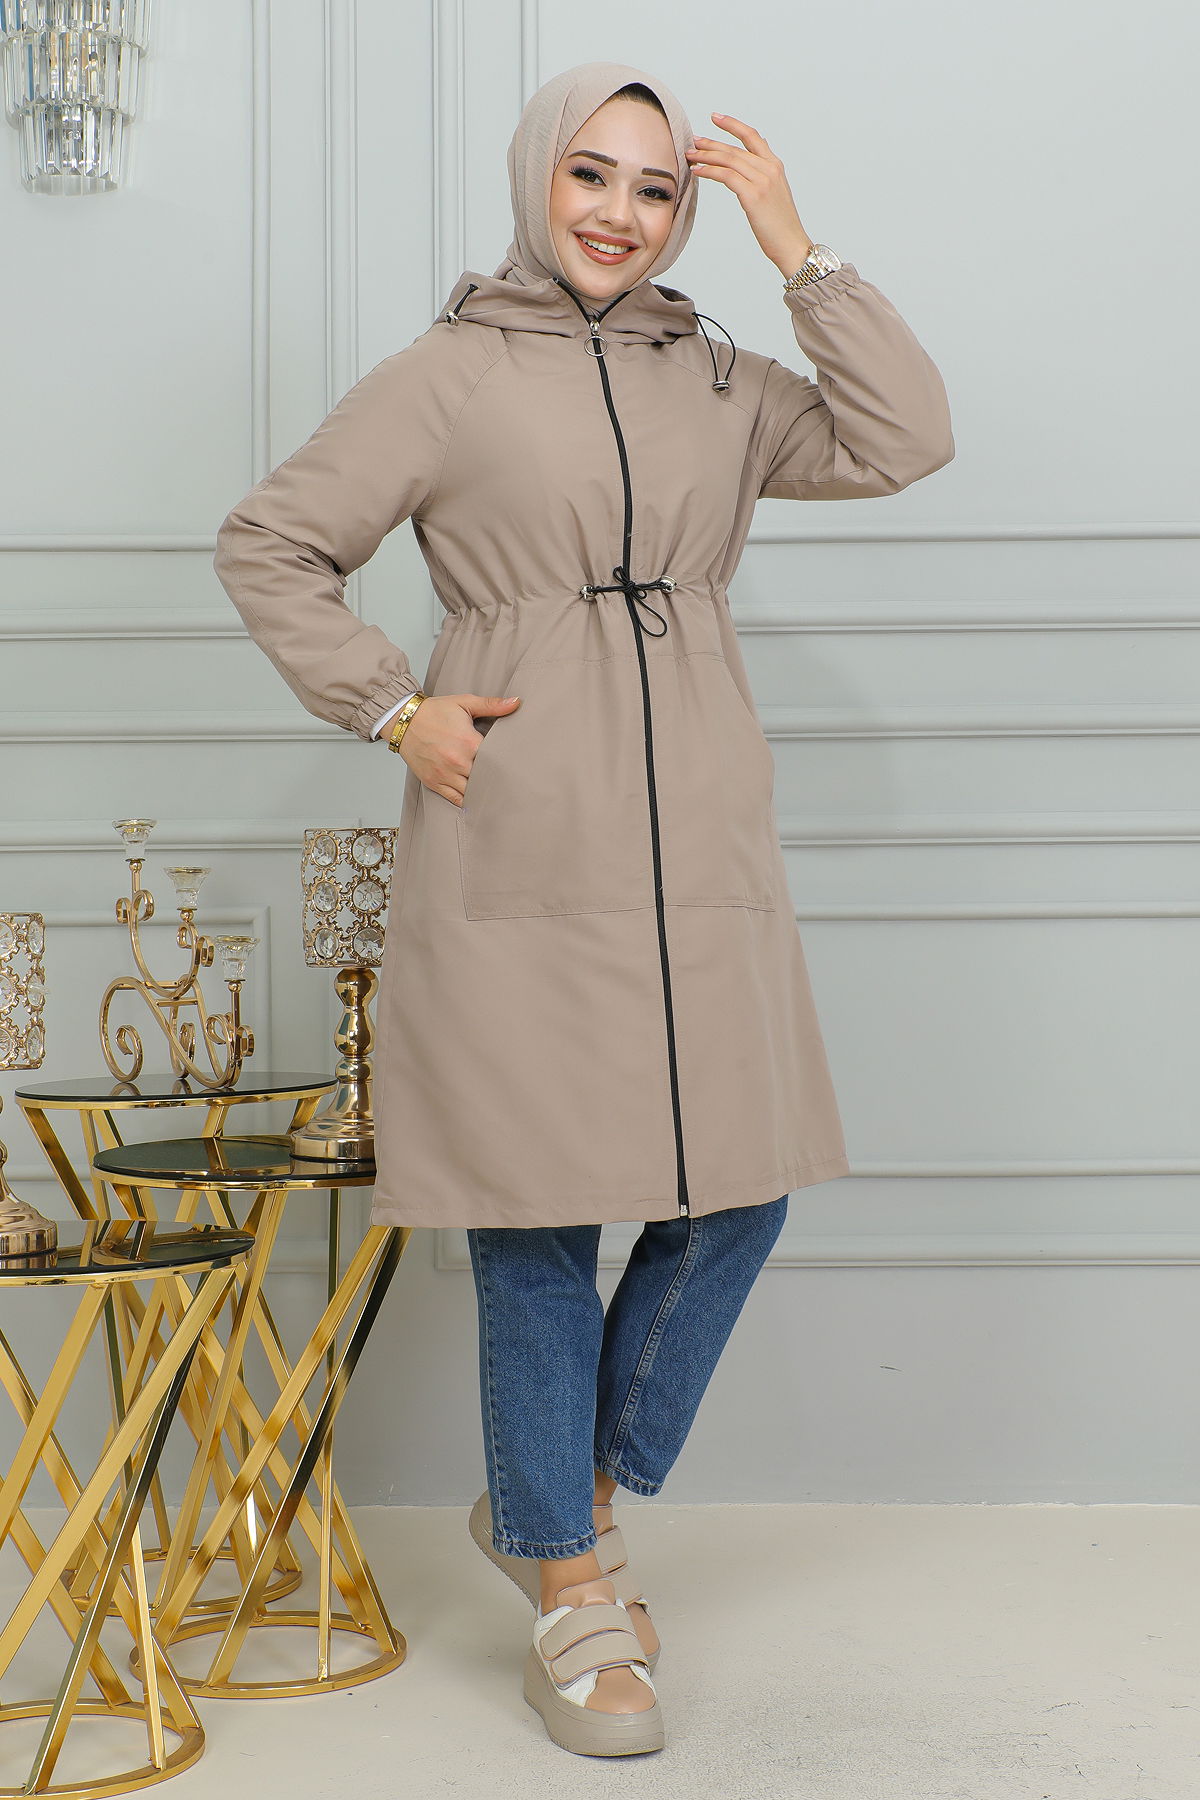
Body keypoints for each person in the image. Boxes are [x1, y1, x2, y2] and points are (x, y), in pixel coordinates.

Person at [213, 60, 954, 1759]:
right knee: (536, 1219)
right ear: (537, 178)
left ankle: (566, 1494)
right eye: (591, 176)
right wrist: (397, 708)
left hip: (704, 836)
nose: (621, 213)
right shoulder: (448, 372)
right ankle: (568, 1587)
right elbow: (271, 543)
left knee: (740, 1188)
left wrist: (798, 249)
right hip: (522, 830)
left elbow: (909, 436)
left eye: (655, 187)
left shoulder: (724, 378)